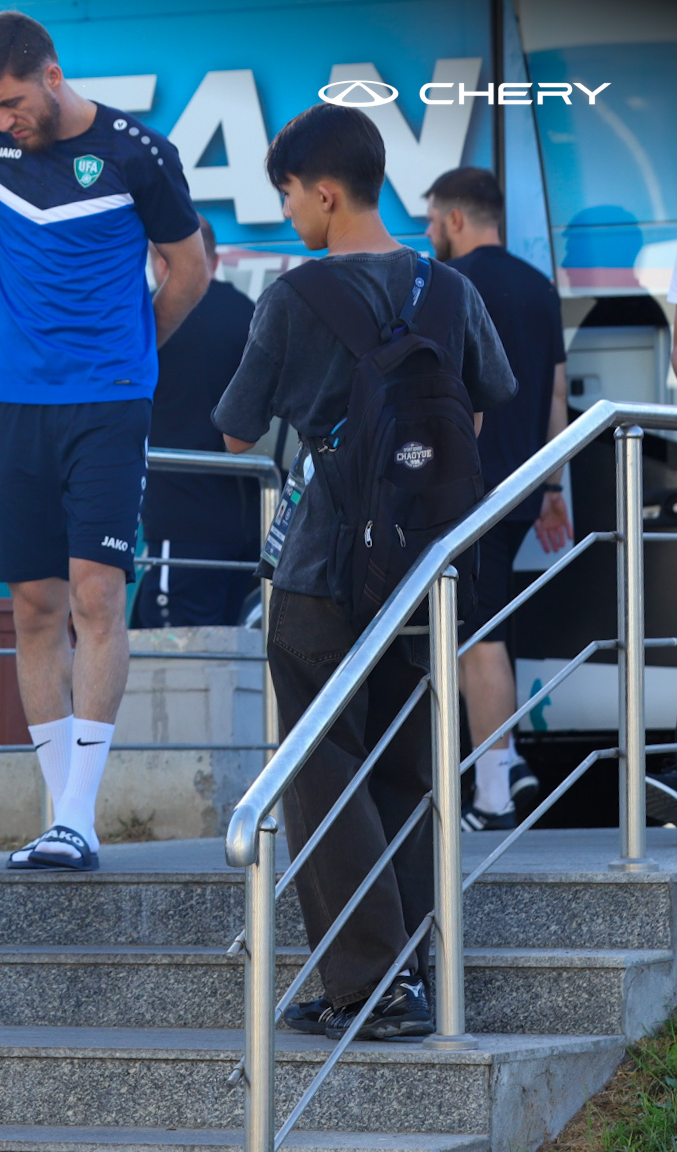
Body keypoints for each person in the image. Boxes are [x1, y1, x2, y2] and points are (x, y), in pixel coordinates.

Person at [213, 103, 515, 1040]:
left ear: (326, 191)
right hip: (422, 568)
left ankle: (372, 987)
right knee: (401, 764)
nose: (289, 212)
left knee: (319, 767)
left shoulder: (293, 298)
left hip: (319, 571)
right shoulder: (449, 289)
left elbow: (236, 425)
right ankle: (414, 966)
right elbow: (480, 409)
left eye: (291, 195)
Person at [0, 10, 208, 871]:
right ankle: (58, 813)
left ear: (52, 73)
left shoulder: (136, 152)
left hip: (108, 405)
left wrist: (135, 351)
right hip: (13, 406)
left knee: (96, 598)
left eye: (10, 100)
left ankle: (78, 814)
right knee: (34, 607)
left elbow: (190, 269)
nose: (3, 118)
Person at [424, 167, 571, 829]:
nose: (430, 234)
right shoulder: (541, 288)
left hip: (465, 491)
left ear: (457, 220)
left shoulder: (451, 285)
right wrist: (551, 488)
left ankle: (492, 796)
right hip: (517, 491)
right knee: (488, 634)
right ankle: (504, 763)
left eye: (432, 221)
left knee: (474, 640)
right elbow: (559, 398)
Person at [134, 216, 259, 629]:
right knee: (234, 669)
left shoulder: (147, 320)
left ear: (161, 260)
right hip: (250, 526)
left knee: (178, 669)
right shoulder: (251, 314)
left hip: (181, 517)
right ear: (215, 259)